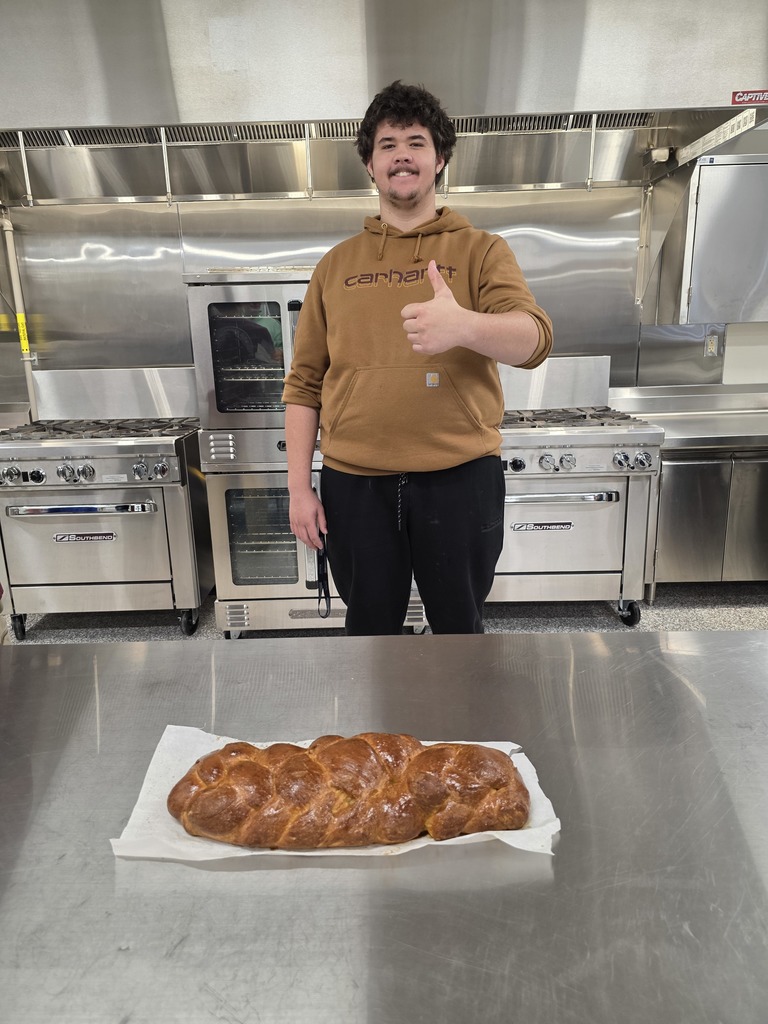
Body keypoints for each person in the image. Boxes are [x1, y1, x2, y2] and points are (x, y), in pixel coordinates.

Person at [282, 80, 553, 636]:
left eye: (416, 141)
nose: (401, 153)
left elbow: (534, 340)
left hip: (460, 479)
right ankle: (379, 726)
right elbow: (304, 384)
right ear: (370, 164)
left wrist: (465, 326)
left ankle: (456, 725)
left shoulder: (482, 250)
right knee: (370, 633)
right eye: (387, 144)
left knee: (460, 629)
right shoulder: (335, 265)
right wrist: (299, 488)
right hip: (354, 484)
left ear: (439, 159)